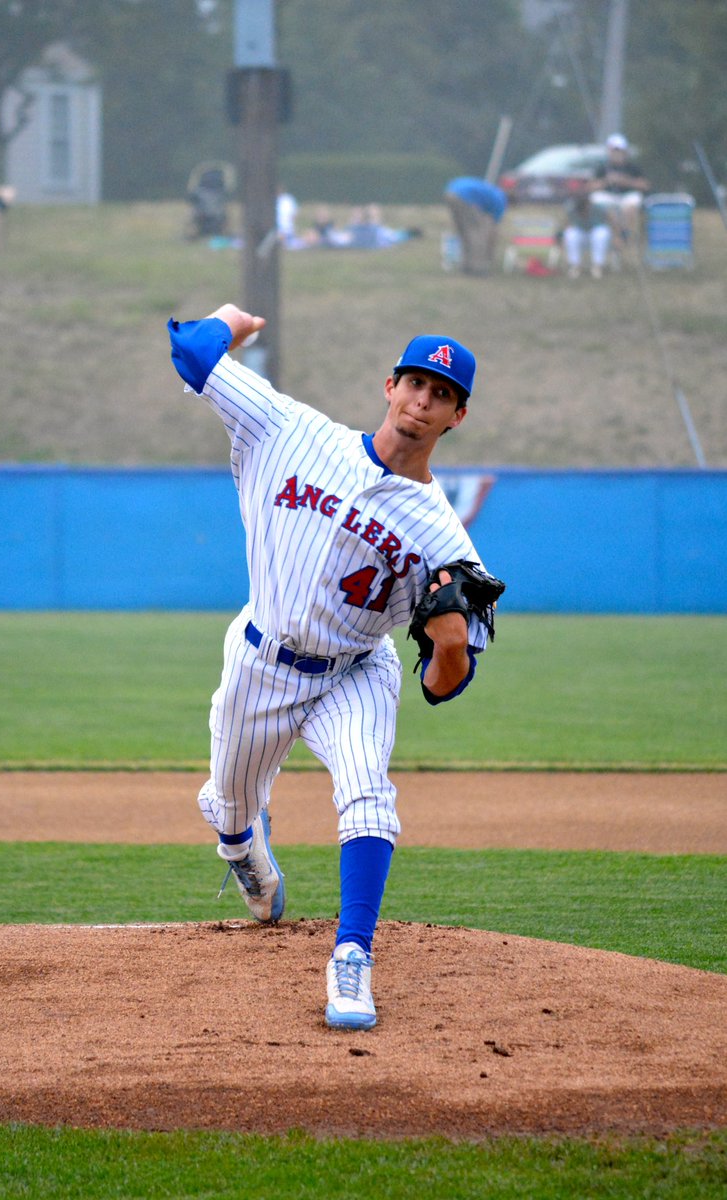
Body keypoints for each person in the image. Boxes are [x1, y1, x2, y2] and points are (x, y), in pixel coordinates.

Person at [167, 304, 501, 1031]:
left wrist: (447, 647)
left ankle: (352, 957)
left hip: (354, 671)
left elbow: (444, 688)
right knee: (228, 806)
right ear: (389, 386)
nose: (422, 400)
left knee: (367, 793)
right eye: (414, 383)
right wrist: (232, 318)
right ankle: (240, 842)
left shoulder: (446, 543)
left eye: (440, 394)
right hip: (260, 661)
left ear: (457, 416)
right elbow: (190, 351)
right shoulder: (291, 430)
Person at [589, 134, 650, 243]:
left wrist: (625, 181)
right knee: (600, 201)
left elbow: (644, 185)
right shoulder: (602, 168)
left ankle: (622, 233)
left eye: (619, 151)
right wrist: (607, 181)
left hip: (627, 196)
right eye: (614, 151)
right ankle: (621, 233)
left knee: (632, 203)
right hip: (609, 197)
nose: (617, 154)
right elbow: (592, 186)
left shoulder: (632, 168)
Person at [444, 176, 508, 275]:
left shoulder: (494, 193)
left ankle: (466, 265)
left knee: (464, 233)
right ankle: (477, 268)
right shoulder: (500, 203)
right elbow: (493, 227)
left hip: (450, 191)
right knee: (476, 234)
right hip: (464, 196)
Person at [560, 192, 612, 279]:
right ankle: (575, 266)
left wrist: (618, 237)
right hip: (581, 234)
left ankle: (597, 266)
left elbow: (611, 220)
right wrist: (561, 238)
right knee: (571, 234)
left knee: (601, 233)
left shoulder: (599, 208)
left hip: (596, 232)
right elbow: (566, 224)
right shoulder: (571, 209)